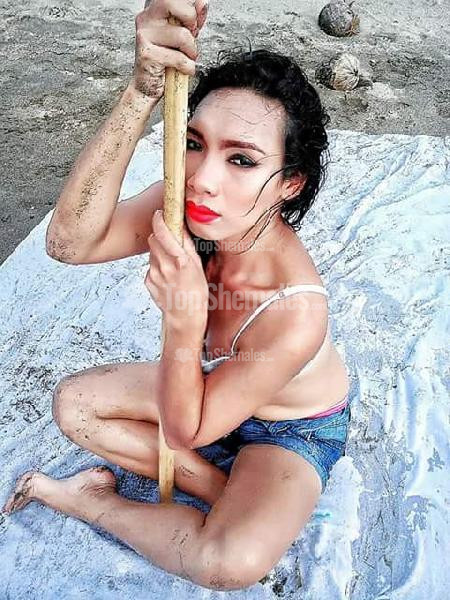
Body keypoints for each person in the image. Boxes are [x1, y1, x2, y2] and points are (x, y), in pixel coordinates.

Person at [2, 0, 351, 591]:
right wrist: (141, 90)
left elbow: (192, 431)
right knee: (74, 406)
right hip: (204, 390)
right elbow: (69, 243)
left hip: (286, 426)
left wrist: (186, 318)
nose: (203, 178)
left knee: (230, 562)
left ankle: (93, 503)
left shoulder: (295, 311)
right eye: (194, 142)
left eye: (241, 160)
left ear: (290, 184)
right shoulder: (189, 204)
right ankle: (223, 490)